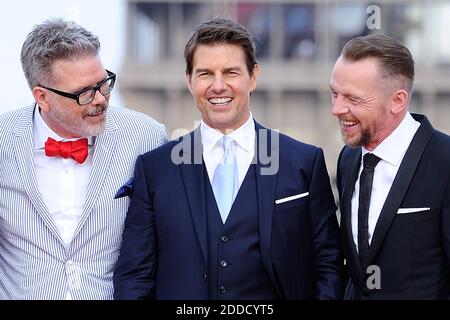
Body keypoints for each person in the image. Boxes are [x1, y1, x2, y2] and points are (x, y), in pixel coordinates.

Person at [113, 17, 343, 300]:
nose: (218, 86)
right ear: (189, 80)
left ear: (253, 76)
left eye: (231, 72)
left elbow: (329, 266)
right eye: (205, 73)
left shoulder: (303, 163)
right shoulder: (156, 169)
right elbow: (135, 275)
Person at [0, 18, 167, 299]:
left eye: (103, 84)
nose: (100, 99)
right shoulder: (3, 140)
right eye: (84, 93)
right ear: (42, 97)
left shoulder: (147, 137)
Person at [331, 34, 450, 299]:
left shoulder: (444, 161)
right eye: (335, 93)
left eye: (353, 98)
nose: (337, 108)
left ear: (398, 100)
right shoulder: (348, 159)